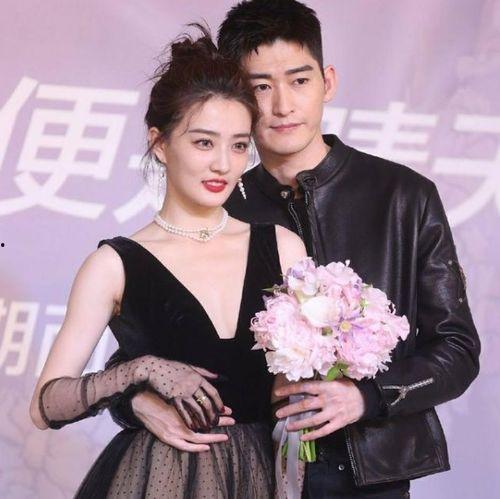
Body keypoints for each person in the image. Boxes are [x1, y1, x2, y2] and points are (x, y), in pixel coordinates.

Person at [113, 1, 481, 498]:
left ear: (328, 82)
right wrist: (135, 402)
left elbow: (457, 349)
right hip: (246, 472)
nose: (283, 105)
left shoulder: (402, 196)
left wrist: (366, 397)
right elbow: (138, 353)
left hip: (372, 476)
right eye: (261, 87)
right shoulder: (220, 208)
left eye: (299, 80)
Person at [29, 28, 308, 498]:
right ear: (160, 144)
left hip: (258, 475)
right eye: (203, 143)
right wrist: (138, 376)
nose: (223, 164)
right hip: (160, 478)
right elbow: (44, 406)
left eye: (239, 145)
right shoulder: (114, 264)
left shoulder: (282, 248)